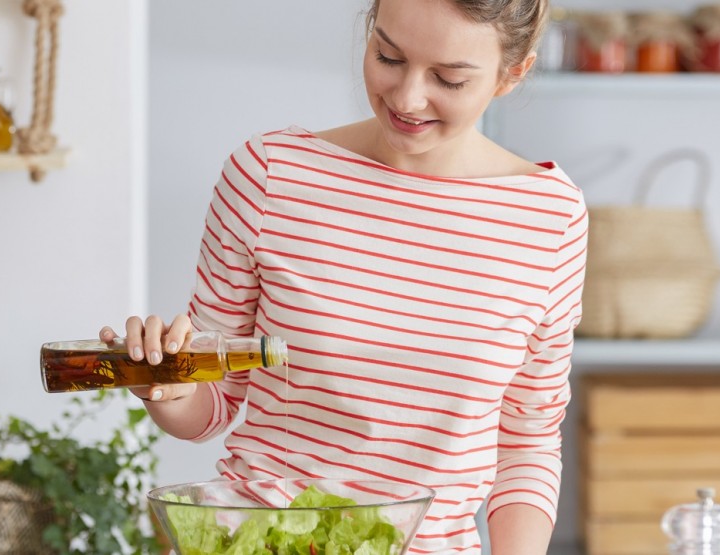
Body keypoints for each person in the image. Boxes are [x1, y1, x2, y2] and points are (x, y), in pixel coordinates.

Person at [103, 0, 586, 552]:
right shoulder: (268, 177)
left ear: (512, 73)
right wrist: (163, 386)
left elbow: (528, 439)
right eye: (388, 55)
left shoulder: (551, 217)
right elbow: (213, 404)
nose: (406, 98)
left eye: (449, 79)